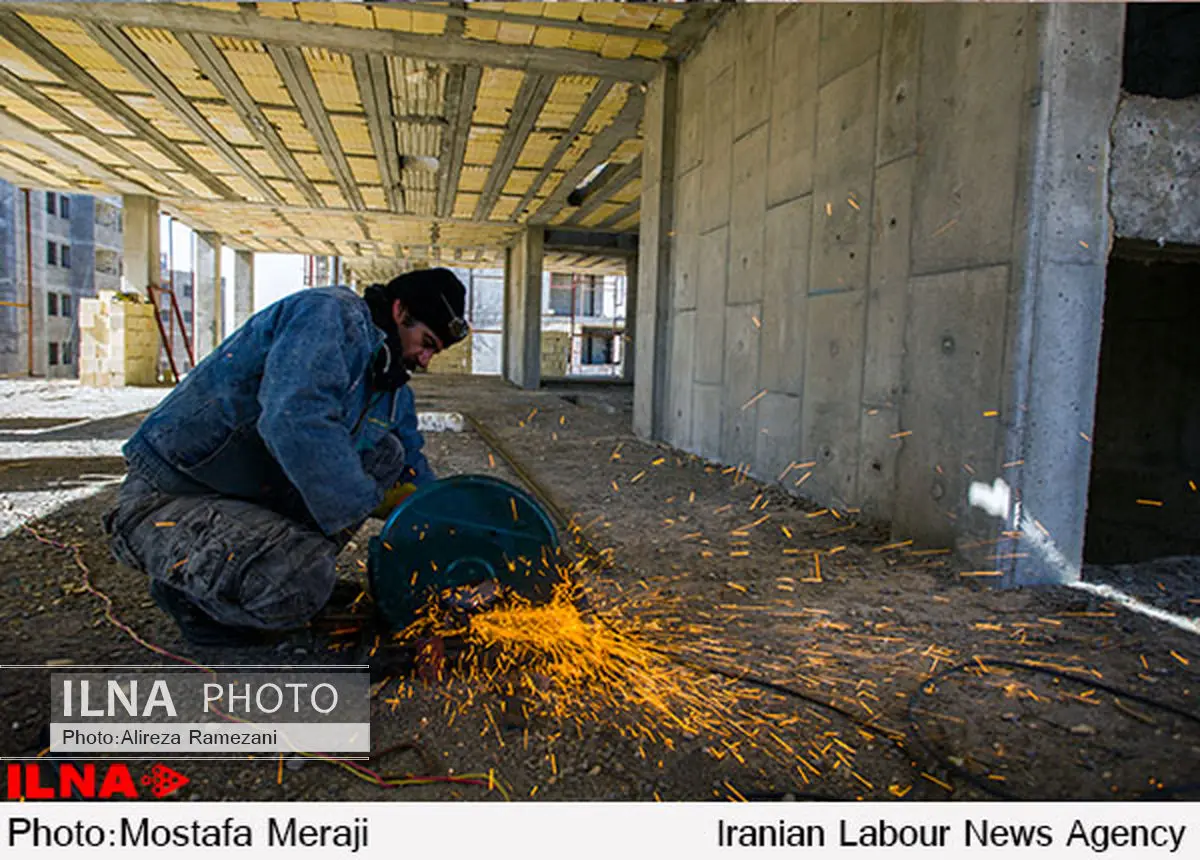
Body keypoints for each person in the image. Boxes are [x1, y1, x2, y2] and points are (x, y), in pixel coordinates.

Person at [103, 268, 470, 647]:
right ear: (400, 311)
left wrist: (444, 522)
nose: (425, 359)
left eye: (433, 352)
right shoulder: (330, 315)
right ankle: (197, 598)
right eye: (426, 342)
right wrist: (370, 502)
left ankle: (267, 565)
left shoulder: (390, 388)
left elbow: (411, 465)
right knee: (300, 583)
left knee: (386, 454)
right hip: (171, 497)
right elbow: (295, 420)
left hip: (242, 495)